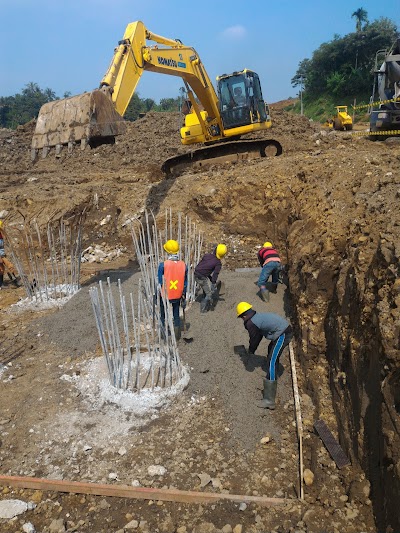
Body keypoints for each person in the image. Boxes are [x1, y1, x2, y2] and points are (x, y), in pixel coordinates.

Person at [236, 301, 293, 409]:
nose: (242, 320)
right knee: (271, 351)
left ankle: (269, 400)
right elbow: (259, 335)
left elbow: (255, 338)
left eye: (241, 317)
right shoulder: (257, 317)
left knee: (271, 361)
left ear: (244, 316)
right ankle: (272, 368)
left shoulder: (251, 323)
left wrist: (251, 351)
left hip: (283, 334)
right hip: (281, 330)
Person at [158, 239, 188, 341]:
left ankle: (162, 335)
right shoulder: (184, 265)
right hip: (177, 294)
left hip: (165, 295)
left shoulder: (163, 265)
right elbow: (185, 282)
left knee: (162, 314)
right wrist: (184, 293)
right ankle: (177, 334)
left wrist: (158, 292)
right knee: (176, 314)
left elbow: (159, 282)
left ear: (168, 252)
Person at [194, 244, 227, 313]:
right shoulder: (218, 263)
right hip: (202, 277)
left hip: (196, 273)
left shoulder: (207, 256)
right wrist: (213, 283)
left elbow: (204, 268)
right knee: (209, 294)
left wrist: (210, 278)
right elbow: (215, 274)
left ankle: (202, 292)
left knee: (205, 287)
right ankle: (203, 310)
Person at [0, 220, 20, 290]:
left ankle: (14, 279)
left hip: (2, 255)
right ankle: (1, 284)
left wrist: (3, 255)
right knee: (1, 269)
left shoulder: (0, 236)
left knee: (9, 266)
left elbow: (1, 247)